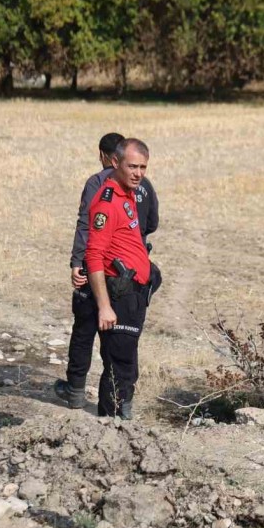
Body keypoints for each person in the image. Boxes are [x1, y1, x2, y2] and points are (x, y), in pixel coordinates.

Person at [55, 138, 155, 419]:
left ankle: (119, 421)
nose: (138, 173)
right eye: (132, 166)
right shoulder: (107, 202)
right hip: (118, 294)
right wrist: (104, 306)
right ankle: (111, 429)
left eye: (143, 167)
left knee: (125, 362)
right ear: (115, 163)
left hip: (133, 293)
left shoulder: (129, 194)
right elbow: (94, 255)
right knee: (117, 365)